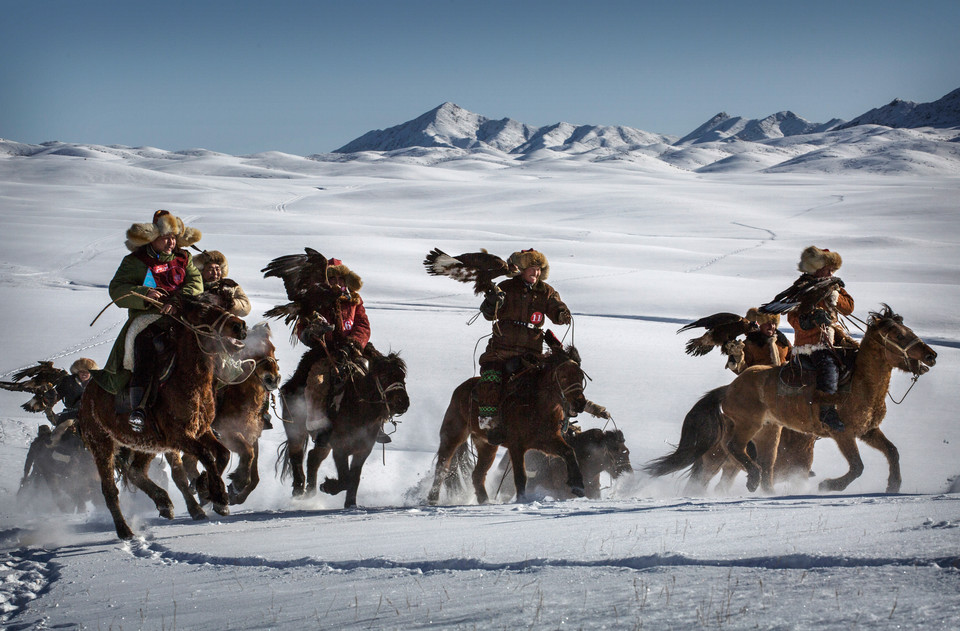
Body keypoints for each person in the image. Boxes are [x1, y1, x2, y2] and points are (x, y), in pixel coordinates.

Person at [99, 210, 204, 433]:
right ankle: (139, 409)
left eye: (174, 237)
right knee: (144, 348)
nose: (171, 242)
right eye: (166, 237)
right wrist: (144, 293)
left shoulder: (184, 259)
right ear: (152, 238)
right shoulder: (135, 262)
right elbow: (117, 289)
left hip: (181, 316)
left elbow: (196, 283)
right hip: (148, 318)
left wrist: (177, 300)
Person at [477, 249, 572, 440]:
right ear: (521, 269)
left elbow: (555, 307)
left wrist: (562, 313)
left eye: (538, 270)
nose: (536, 273)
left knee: (554, 382)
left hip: (532, 353)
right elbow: (488, 314)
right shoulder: (505, 287)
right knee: (492, 379)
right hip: (502, 349)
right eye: (532, 269)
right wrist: (491, 303)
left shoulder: (546, 291)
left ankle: (560, 422)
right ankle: (490, 424)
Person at [295, 258, 380, 438]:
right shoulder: (315, 300)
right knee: (317, 382)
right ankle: (317, 428)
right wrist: (312, 334)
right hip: (325, 351)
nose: (336, 282)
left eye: (340, 279)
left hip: (353, 348)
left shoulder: (354, 300)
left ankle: (376, 421)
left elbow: (363, 325)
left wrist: (353, 344)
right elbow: (302, 326)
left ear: (346, 280)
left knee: (379, 373)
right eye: (331, 279)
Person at [786, 246, 854, 432]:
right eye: (828, 268)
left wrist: (835, 294)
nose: (831, 272)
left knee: (858, 358)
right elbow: (792, 318)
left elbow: (849, 308)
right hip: (811, 343)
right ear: (816, 268)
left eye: (833, 269)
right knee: (828, 366)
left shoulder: (835, 286)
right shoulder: (800, 288)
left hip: (835, 338)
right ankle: (826, 410)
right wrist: (811, 319)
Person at [46, 358, 98, 443]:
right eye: (82, 372)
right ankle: (55, 451)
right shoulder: (68, 381)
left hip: (92, 415)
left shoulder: (97, 383)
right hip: (71, 414)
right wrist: (48, 399)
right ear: (77, 372)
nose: (84, 374)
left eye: (87, 372)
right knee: (60, 432)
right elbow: (57, 395)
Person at [724, 308, 791, 374]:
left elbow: (794, 359)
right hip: (759, 384)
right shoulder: (750, 344)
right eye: (767, 323)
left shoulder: (783, 341)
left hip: (782, 383)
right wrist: (737, 358)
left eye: (774, 323)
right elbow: (742, 371)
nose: (771, 326)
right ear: (760, 324)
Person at [192, 250, 252, 317]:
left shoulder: (230, 285)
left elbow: (246, 308)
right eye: (210, 269)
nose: (215, 273)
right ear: (201, 271)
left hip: (226, 324)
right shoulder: (193, 285)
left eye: (217, 269)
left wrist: (230, 303)